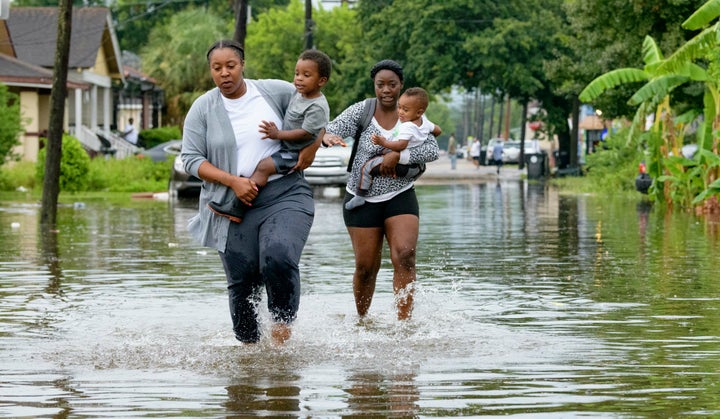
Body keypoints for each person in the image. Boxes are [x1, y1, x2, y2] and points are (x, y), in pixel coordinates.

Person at [181, 40, 322, 345]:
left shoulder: (275, 91)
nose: (224, 74)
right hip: (232, 205)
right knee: (242, 285)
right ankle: (248, 358)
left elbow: (316, 113)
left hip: (284, 194)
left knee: (278, 256)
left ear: (242, 64)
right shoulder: (203, 109)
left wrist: (309, 151)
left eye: (230, 66)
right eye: (216, 68)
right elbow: (191, 160)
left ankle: (282, 336)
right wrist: (233, 181)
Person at [322, 59, 439, 320]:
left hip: (400, 194)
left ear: (401, 86)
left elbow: (432, 151)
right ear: (374, 86)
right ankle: (363, 321)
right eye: (380, 85)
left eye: (392, 85)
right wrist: (327, 137)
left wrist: (398, 157)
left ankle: (404, 325)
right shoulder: (361, 111)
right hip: (361, 198)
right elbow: (329, 130)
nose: (386, 90)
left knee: (405, 256)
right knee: (366, 267)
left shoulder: (414, 116)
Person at [207, 49, 331, 223]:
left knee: (264, 167)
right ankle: (241, 203)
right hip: (287, 148)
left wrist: (278, 134)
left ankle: (238, 207)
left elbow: (307, 132)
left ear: (321, 81)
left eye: (306, 75)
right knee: (262, 167)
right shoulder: (297, 93)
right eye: (297, 73)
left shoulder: (317, 106)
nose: (299, 79)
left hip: (294, 152)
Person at [344, 87, 441, 210]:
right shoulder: (425, 123)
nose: (400, 112)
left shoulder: (408, 127)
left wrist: (383, 142)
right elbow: (438, 130)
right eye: (399, 107)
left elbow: (401, 145)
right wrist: (422, 137)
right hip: (409, 164)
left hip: (398, 154)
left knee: (366, 167)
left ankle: (360, 195)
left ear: (418, 112)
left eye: (405, 110)